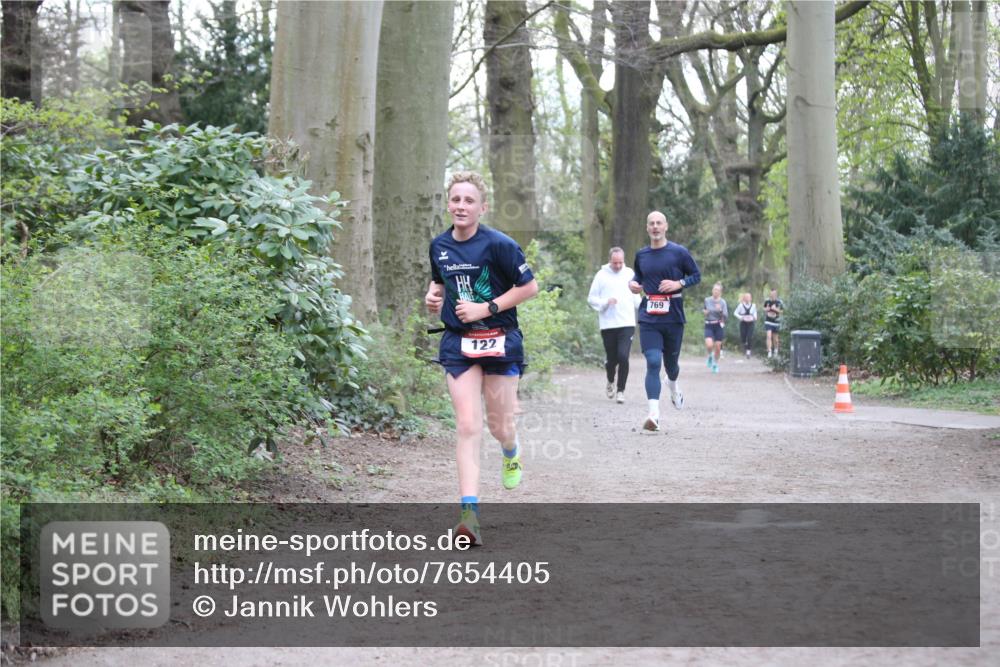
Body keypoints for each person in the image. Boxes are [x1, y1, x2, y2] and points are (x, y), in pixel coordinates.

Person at [424, 171, 539, 546]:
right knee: (468, 425)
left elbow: (530, 287)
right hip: (459, 344)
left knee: (498, 425)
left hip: (500, 340)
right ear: (448, 203)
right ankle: (468, 516)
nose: (461, 206)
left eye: (468, 200)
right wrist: (433, 297)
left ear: (482, 207)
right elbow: (440, 282)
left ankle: (511, 450)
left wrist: (486, 307)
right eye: (455, 199)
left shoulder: (500, 245)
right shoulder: (439, 246)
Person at [628, 211, 701, 432]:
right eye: (651, 223)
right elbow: (638, 278)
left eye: (659, 223)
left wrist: (678, 283)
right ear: (647, 228)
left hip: (673, 315)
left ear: (666, 226)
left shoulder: (679, 252)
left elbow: (696, 276)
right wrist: (633, 284)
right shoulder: (641, 255)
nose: (655, 227)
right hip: (649, 314)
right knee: (652, 361)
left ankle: (673, 385)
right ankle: (654, 414)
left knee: (671, 366)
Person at [587, 247, 641, 404]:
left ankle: (621, 391)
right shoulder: (601, 275)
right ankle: (610, 379)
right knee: (612, 360)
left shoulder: (630, 273)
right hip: (608, 324)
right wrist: (605, 302)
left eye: (620, 262)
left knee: (623, 356)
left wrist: (646, 308)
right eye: (615, 262)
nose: (618, 266)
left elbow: (636, 298)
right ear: (610, 260)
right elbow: (591, 299)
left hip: (627, 322)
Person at [702, 282, 728, 373]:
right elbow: (704, 309)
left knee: (717, 346)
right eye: (714, 289)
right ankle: (710, 356)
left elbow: (725, 316)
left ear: (720, 292)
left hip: (718, 325)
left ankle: (715, 363)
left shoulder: (723, 302)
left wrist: (720, 311)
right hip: (709, 324)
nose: (715, 291)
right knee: (709, 345)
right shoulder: (707, 300)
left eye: (717, 290)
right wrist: (705, 312)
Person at [763, 288, 784, 358]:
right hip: (768, 321)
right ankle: (769, 352)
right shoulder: (767, 301)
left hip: (776, 322)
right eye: (771, 294)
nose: (773, 295)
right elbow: (764, 309)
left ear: (776, 294)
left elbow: (782, 312)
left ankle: (776, 351)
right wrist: (767, 309)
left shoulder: (779, 302)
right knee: (768, 336)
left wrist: (775, 309)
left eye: (774, 294)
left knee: (776, 339)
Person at [735, 292, 757, 358]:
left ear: (751, 298)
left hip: (751, 323)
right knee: (743, 337)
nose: (747, 299)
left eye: (749, 297)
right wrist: (741, 317)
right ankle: (745, 343)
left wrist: (754, 317)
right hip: (743, 323)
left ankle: (748, 351)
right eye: (746, 297)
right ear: (744, 298)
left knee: (750, 337)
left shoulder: (753, 305)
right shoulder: (741, 305)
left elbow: (755, 313)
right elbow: (735, 313)